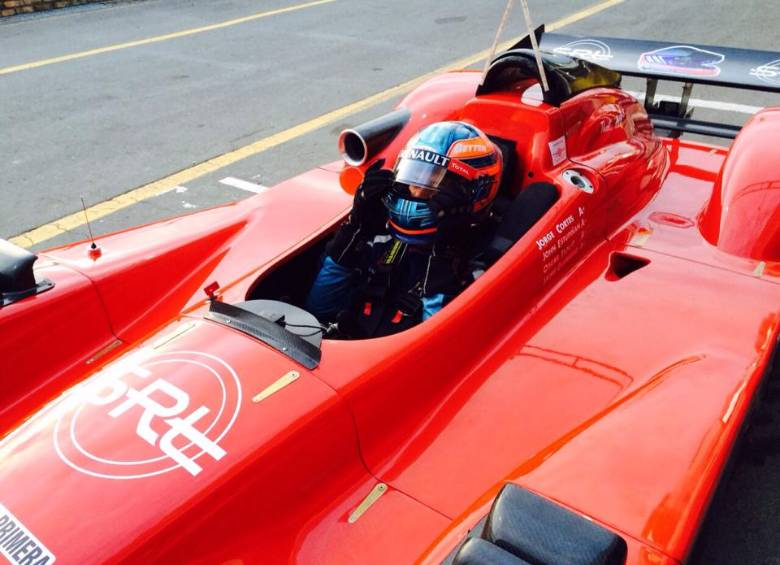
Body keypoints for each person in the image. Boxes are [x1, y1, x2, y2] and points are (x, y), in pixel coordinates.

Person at [305, 121, 503, 339]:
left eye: (435, 180)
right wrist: (355, 230)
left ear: (473, 191)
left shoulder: (485, 266)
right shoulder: (386, 239)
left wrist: (445, 259)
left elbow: (436, 348)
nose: (414, 191)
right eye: (415, 174)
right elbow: (318, 312)